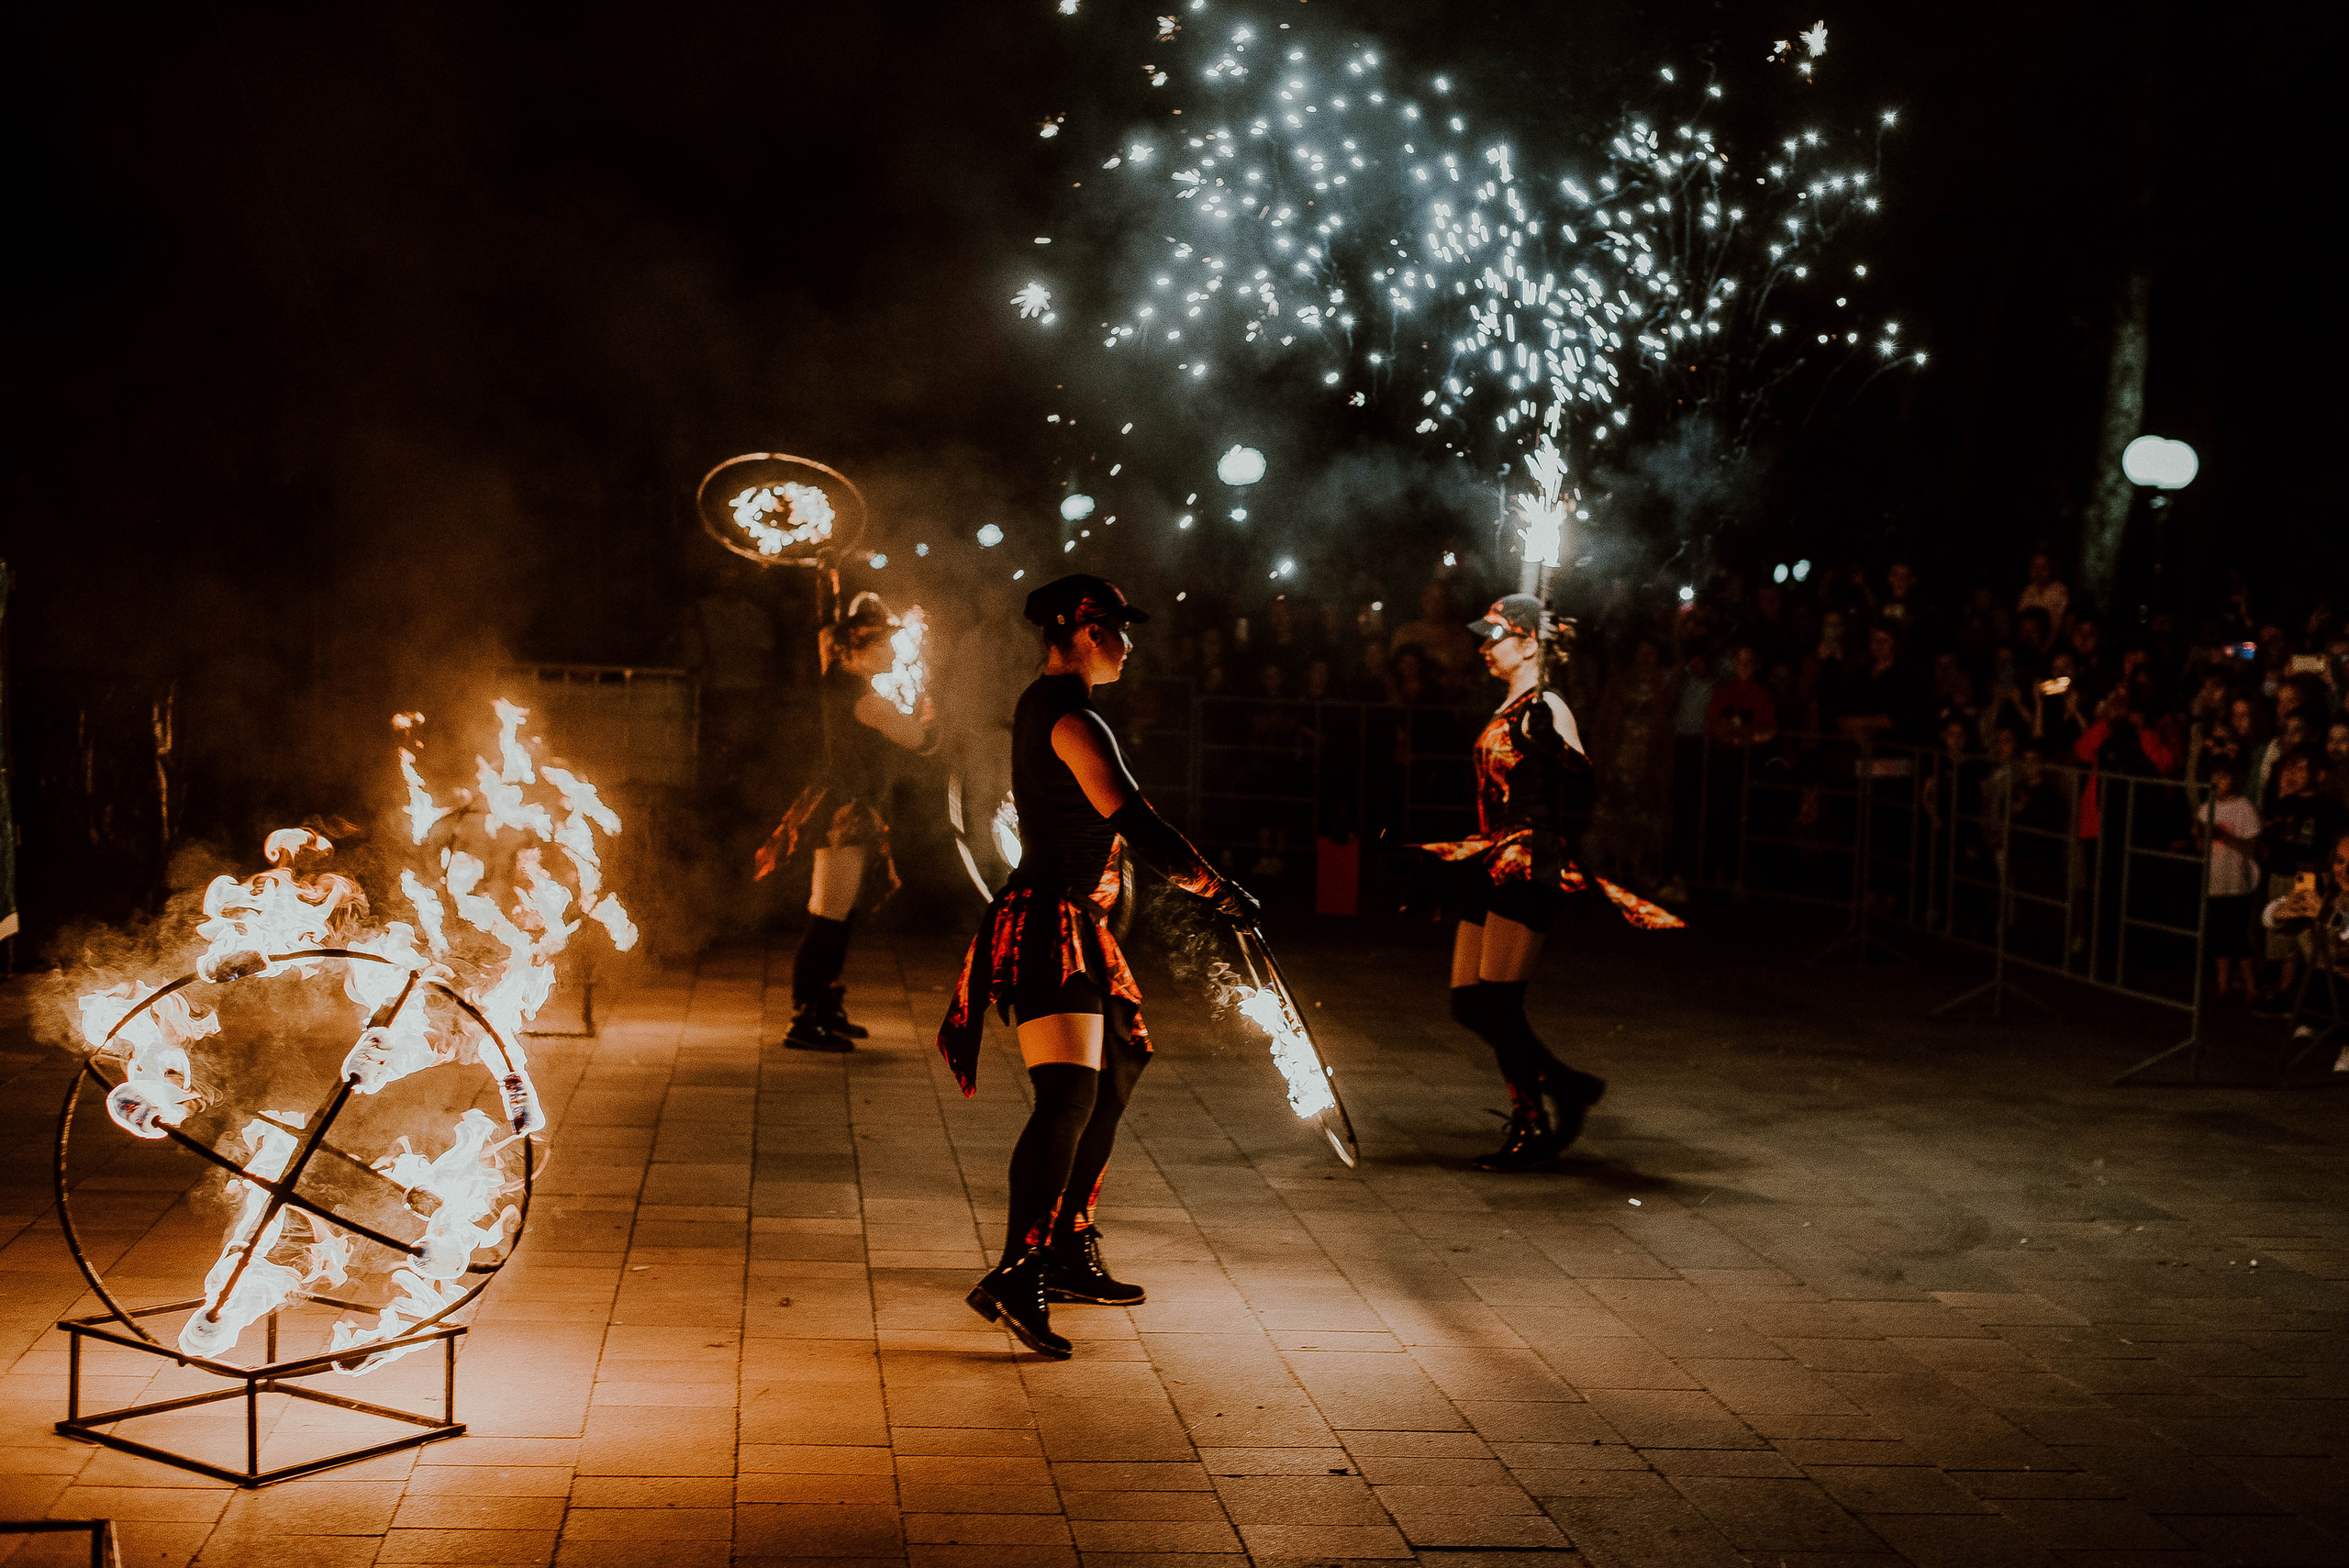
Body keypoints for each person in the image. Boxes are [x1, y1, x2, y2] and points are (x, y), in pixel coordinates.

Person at [936, 574, 1256, 1359]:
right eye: (1116, 626)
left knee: (1119, 1065)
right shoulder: (1070, 715)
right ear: (1080, 630)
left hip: (1078, 920)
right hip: (1046, 922)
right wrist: (1217, 885)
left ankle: (1069, 1244)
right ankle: (1020, 1267)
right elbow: (1134, 817)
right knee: (1068, 1094)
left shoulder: (1062, 707)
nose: (1128, 641)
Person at [1420, 595, 1682, 1173]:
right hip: (1494, 857)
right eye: (1485, 637)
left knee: (1499, 1003)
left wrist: (1553, 750)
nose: (1485, 647)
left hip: (1529, 861)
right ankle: (1565, 1085)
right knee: (1467, 1003)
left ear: (1529, 643)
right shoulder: (1511, 702)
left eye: (1496, 637)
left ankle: (1532, 1124)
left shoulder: (1549, 705)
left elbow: (1582, 788)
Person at [755, 593, 934, 1051]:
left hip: (846, 807)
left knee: (839, 912)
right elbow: (918, 739)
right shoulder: (863, 700)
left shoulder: (842, 682)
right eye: (886, 645)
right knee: (828, 914)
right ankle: (804, 1018)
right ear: (862, 648)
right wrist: (931, 710)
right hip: (842, 813)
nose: (895, 653)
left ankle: (827, 1007)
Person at [2256, 748, 2344, 1009]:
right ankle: (2286, 993)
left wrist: (2321, 866)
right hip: (2280, 871)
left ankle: (2311, 999)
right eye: (2291, 768)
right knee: (2282, 934)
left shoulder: (2329, 807)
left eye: (2302, 767)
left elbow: (2334, 844)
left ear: (2318, 773)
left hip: (2306, 876)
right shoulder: (2284, 803)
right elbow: (2271, 834)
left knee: (2309, 937)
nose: (2295, 773)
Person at [2196, 759, 2263, 1006]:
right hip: (2214, 881)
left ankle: (2251, 986)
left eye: (2223, 776)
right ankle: (2223, 986)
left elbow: (2252, 847)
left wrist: (2223, 835)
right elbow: (2201, 845)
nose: (2218, 782)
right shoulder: (2207, 808)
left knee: (2237, 934)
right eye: (2215, 776)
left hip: (2239, 882)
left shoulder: (2244, 809)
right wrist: (2199, 838)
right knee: (2218, 935)